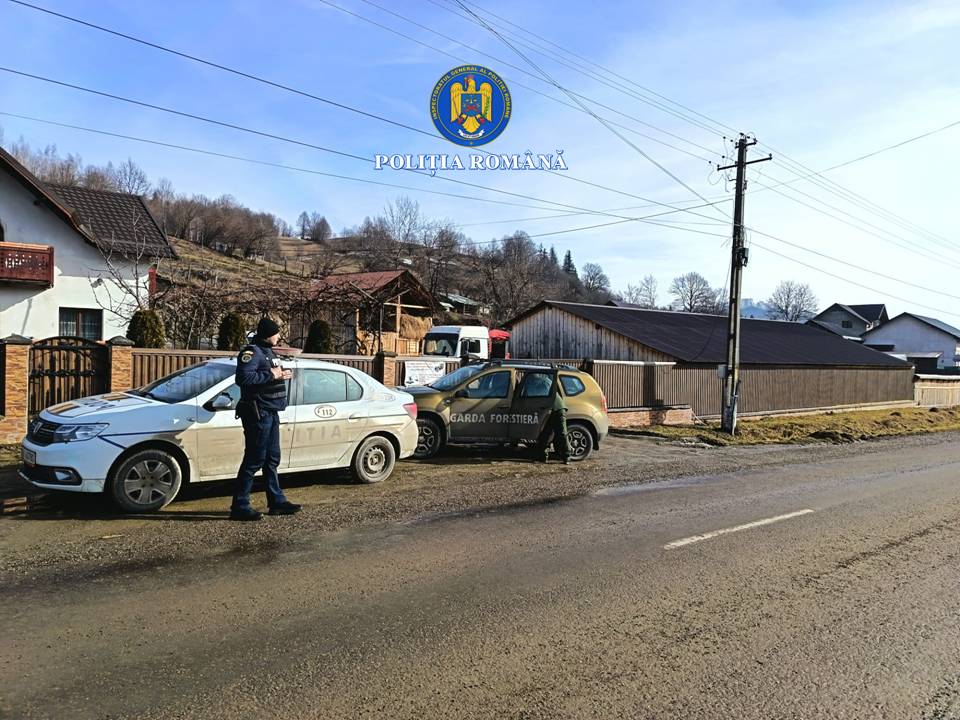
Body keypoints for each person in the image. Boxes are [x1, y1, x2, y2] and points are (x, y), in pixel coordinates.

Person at [230, 317, 301, 521]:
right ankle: (240, 506)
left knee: (272, 459)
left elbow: (270, 374)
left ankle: (276, 501)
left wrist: (281, 375)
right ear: (268, 334)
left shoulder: (268, 352)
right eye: (276, 333)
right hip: (257, 413)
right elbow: (243, 378)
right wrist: (272, 375)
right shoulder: (251, 353)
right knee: (254, 459)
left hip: (271, 412)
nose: (278, 336)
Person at [537, 373, 571, 465]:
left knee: (561, 433)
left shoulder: (543, 383)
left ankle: (567, 456)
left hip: (558, 409)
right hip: (550, 411)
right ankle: (543, 456)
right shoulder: (543, 382)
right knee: (546, 434)